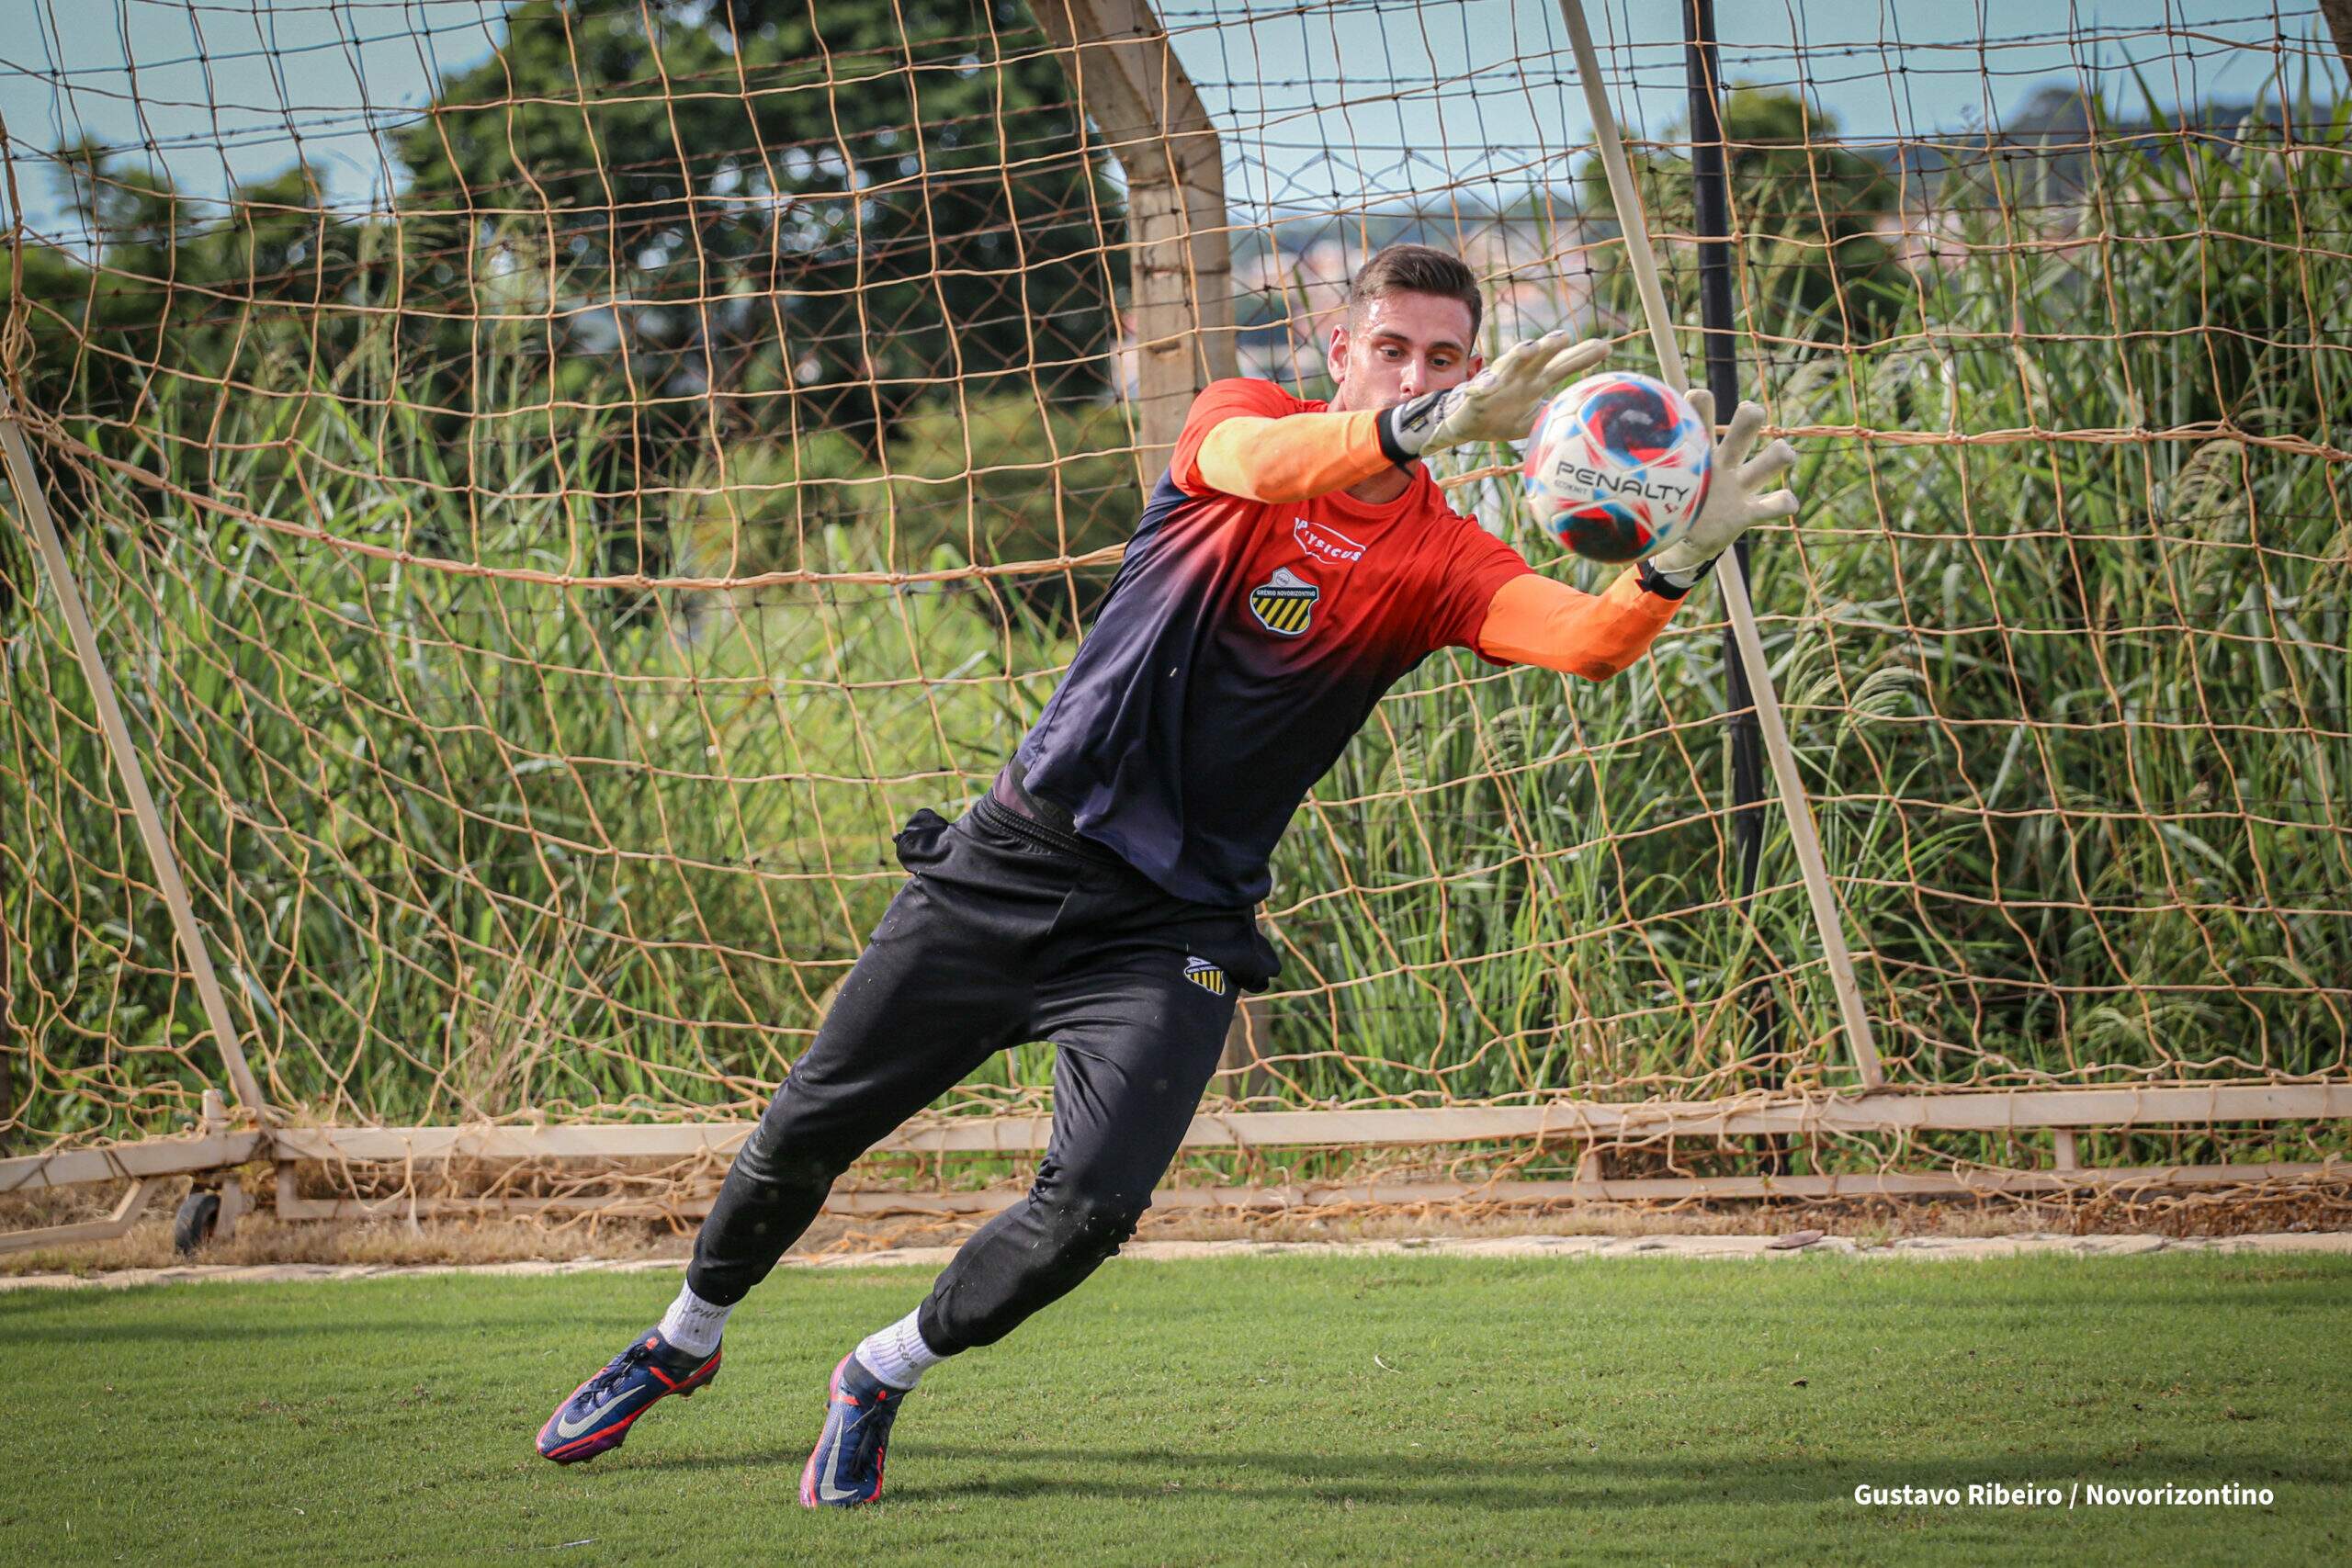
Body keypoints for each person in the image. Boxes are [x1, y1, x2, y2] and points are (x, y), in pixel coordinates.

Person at [533, 243, 1797, 1505]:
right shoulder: (1240, 420)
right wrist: (1428, 423)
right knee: (809, 1127)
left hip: (1173, 926)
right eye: (1395, 349)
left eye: (1448, 358)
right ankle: (682, 1340)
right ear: (1340, 349)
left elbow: (1582, 642)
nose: (1418, 371)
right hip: (1013, 861)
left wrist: (1677, 559)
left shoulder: (1438, 560)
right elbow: (1260, 466)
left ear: (1478, 372)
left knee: (1089, 1210)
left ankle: (880, 1373)